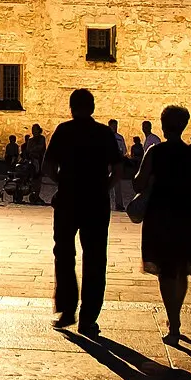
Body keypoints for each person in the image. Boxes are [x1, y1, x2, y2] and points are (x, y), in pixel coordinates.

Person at [135, 104, 191, 344]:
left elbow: (138, 184)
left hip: (160, 211)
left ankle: (173, 320)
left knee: (165, 269)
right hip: (187, 212)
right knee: (181, 266)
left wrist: (148, 178)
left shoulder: (155, 152)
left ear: (162, 124)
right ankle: (175, 317)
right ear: (184, 126)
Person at [44, 88, 115, 336]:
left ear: (71, 108)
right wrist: (103, 187)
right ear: (93, 108)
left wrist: (63, 182)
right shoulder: (104, 133)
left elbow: (49, 166)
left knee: (63, 254)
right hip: (96, 203)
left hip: (68, 200)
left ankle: (67, 309)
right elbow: (117, 170)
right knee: (95, 258)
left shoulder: (64, 131)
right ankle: (88, 318)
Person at [107, 118, 134, 212]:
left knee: (117, 184)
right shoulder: (106, 137)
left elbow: (124, 150)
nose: (115, 127)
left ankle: (119, 204)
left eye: (115, 125)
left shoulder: (120, 137)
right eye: (113, 126)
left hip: (116, 162)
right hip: (107, 162)